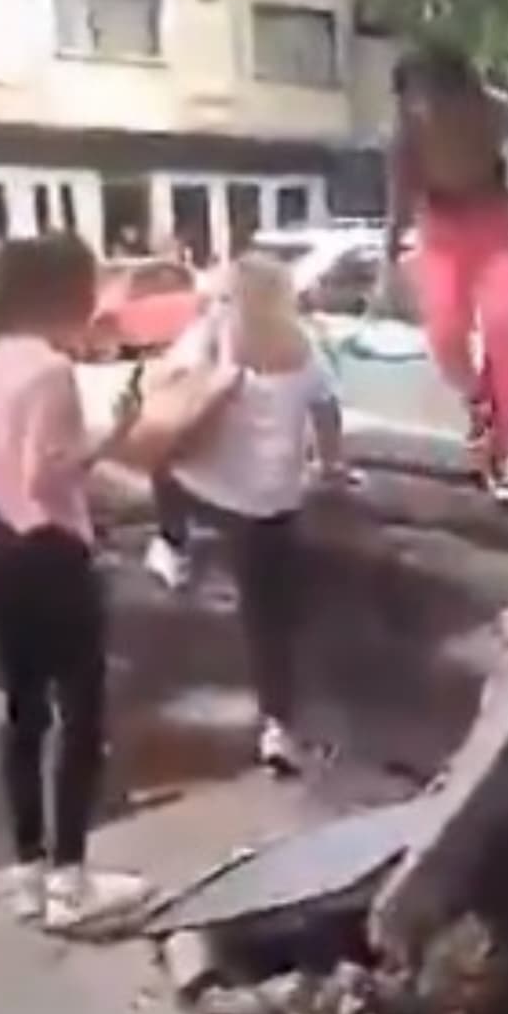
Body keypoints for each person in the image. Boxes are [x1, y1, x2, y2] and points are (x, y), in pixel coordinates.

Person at [0, 233, 153, 931]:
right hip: (50, 550)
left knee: (24, 716)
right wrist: (116, 430)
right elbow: (49, 472)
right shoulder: (49, 370)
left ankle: (28, 873)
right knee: (82, 715)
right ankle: (72, 882)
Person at [143, 254, 345, 774]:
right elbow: (326, 411)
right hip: (272, 500)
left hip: (211, 485)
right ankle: (277, 726)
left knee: (163, 466)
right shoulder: (304, 346)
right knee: (267, 621)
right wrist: (331, 467)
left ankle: (174, 547)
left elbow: (167, 386)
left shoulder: (216, 331)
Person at [383, 43, 508, 506]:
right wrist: (390, 253)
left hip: (493, 221)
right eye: (414, 100)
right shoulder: (406, 132)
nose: (425, 108)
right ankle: (481, 407)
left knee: (503, 327)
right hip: (440, 228)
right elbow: (399, 194)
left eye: (431, 96)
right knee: (444, 334)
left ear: (455, 88)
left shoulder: (493, 107)